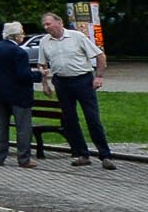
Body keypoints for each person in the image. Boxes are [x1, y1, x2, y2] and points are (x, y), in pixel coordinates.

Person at [35, 11, 118, 170]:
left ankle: (105, 155)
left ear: (59, 23)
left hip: (82, 79)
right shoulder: (45, 41)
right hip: (61, 81)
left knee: (92, 118)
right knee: (70, 120)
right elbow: (42, 64)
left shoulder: (76, 37)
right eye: (44, 25)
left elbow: (100, 56)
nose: (46, 28)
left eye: (48, 24)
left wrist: (99, 76)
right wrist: (45, 83)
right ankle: (82, 154)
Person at [0, 21, 43, 167]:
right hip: (18, 94)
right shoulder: (19, 52)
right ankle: (24, 159)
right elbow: (23, 75)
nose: (23, 36)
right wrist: (39, 75)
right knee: (23, 128)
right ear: (16, 36)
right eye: (22, 33)